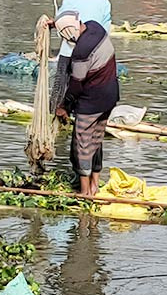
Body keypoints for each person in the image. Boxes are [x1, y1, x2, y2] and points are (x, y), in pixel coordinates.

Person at [50, 11, 120, 197]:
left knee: (82, 144)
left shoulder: (82, 50)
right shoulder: (95, 27)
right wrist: (52, 24)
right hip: (110, 96)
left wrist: (64, 106)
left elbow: (76, 84)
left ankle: (85, 191)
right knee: (97, 140)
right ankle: (95, 184)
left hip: (92, 101)